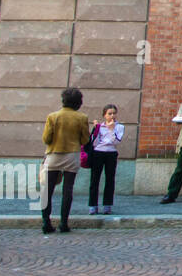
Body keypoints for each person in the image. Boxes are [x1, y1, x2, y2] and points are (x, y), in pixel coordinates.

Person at [41, 87, 90, 233]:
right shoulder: (82, 118)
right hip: (72, 155)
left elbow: (46, 138)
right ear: (78, 102)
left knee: (47, 190)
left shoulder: (52, 116)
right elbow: (85, 139)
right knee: (68, 190)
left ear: (63, 100)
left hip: (54, 154)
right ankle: (64, 223)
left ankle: (46, 222)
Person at [87, 103, 125, 215]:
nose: (112, 116)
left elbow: (117, 141)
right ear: (104, 115)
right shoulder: (100, 126)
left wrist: (111, 130)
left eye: (114, 113)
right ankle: (93, 205)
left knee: (110, 179)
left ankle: (107, 205)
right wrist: (96, 129)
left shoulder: (119, 127)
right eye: (109, 113)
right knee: (95, 179)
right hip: (98, 153)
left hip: (111, 153)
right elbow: (94, 143)